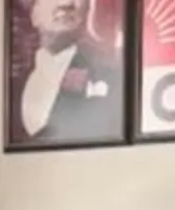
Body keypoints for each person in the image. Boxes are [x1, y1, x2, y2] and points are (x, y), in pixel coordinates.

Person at [11, 0, 122, 144]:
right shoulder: (9, 84)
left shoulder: (112, 73)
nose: (66, 3)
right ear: (33, 14)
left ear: (88, 7)